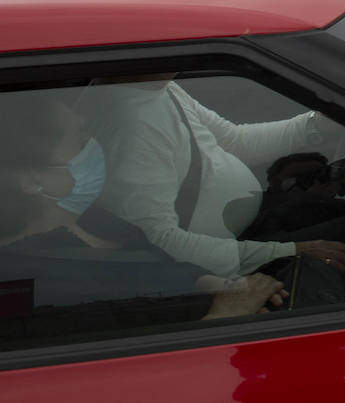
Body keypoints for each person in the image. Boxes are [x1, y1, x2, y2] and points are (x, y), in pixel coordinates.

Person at [0, 94, 287, 343]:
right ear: (31, 179)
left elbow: (156, 269)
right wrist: (226, 316)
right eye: (81, 140)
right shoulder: (25, 287)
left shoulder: (99, 221)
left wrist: (208, 282)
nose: (95, 148)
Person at [77, 76, 345, 281]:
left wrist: (314, 126)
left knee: (337, 220)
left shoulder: (156, 85)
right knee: (344, 241)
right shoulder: (133, 129)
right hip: (221, 265)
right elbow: (164, 241)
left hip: (246, 235)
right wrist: (291, 251)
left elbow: (232, 141)